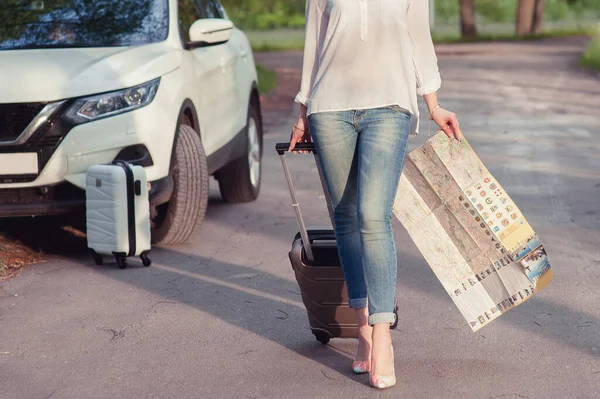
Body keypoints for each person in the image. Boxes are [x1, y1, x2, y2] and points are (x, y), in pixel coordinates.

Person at [288, 0, 461, 389]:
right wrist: (303, 111)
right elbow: (314, 45)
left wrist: (432, 105)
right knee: (346, 216)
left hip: (390, 106)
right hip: (329, 108)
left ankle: (382, 332)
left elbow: (419, 37)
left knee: (372, 214)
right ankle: (362, 328)